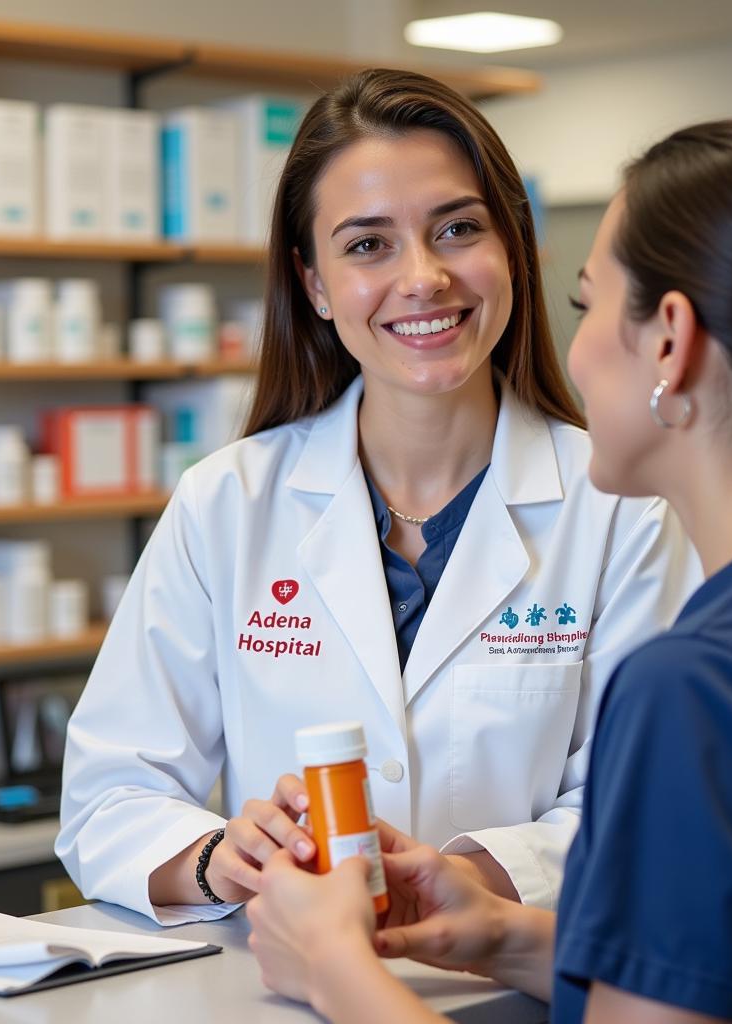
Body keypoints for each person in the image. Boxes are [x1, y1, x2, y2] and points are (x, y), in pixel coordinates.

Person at [246, 118, 732, 1023]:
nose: (573, 350)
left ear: (669, 342)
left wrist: (332, 967)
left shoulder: (704, 687)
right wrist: (506, 934)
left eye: (587, 306)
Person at [55, 69, 696, 926]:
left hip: (525, 993)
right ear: (314, 283)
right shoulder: (227, 504)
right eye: (367, 245)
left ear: (512, 247)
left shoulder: (625, 508)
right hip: (282, 991)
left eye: (457, 229)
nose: (424, 277)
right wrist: (225, 858)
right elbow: (109, 795)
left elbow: (652, 802)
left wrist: (468, 877)